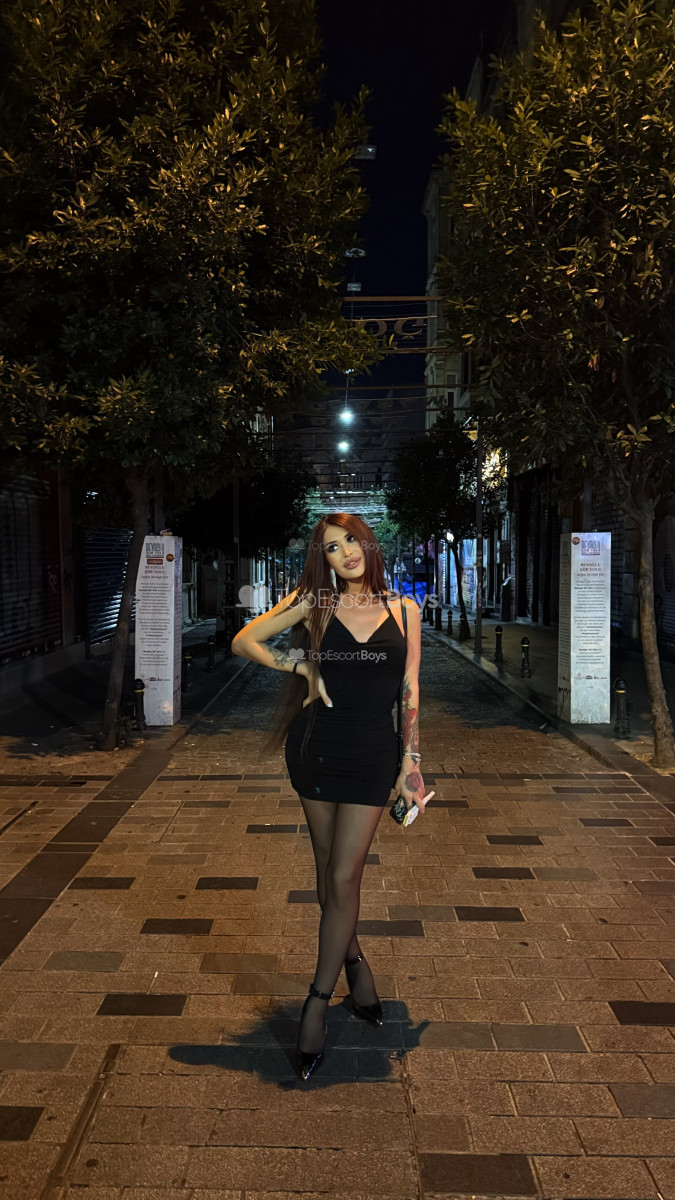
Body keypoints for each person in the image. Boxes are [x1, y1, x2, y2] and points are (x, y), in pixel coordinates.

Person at [231, 512, 426, 1080]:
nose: (347, 553)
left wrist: (411, 763)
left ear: (370, 543)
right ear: (325, 560)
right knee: (326, 872)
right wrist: (301, 665)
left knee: (343, 876)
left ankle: (317, 1001)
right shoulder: (314, 603)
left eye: (353, 541)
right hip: (316, 749)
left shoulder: (404, 610)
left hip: (373, 756)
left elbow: (410, 687)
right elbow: (245, 640)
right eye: (333, 548)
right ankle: (356, 965)